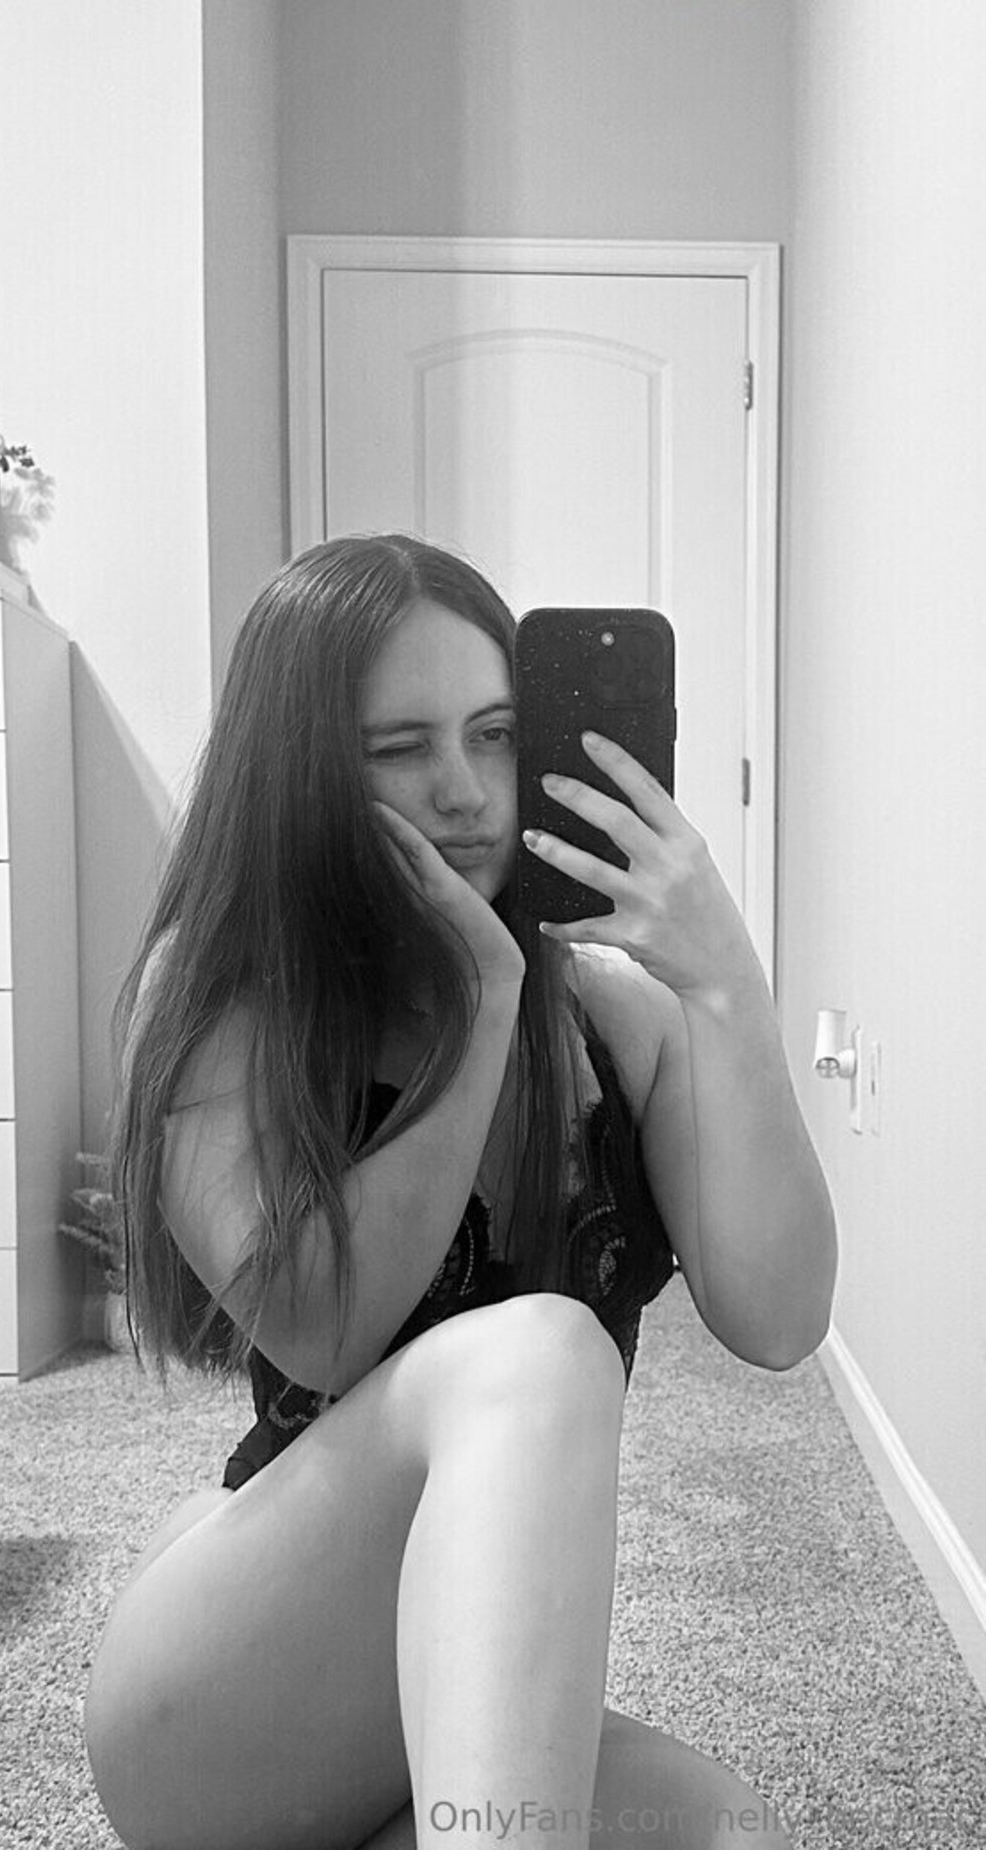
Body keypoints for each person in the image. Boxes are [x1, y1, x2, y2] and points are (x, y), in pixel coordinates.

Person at [83, 533, 837, 1850]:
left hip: (448, 1693)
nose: (465, 790)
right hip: (226, 1708)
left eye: (496, 735)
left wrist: (726, 986)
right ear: (305, 775)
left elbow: (779, 1319)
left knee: (734, 1837)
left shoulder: (619, 1020)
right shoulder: (222, 1004)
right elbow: (323, 1332)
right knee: (542, 1349)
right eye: (399, 748)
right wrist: (486, 994)